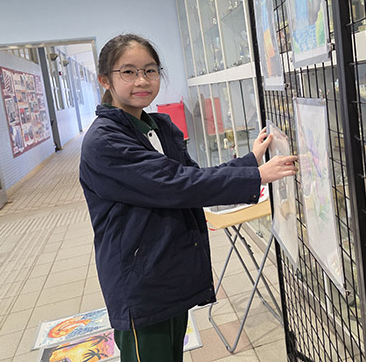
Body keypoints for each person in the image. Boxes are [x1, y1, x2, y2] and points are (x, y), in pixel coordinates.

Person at [79, 34, 297, 362]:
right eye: (128, 72)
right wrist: (256, 176)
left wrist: (250, 161)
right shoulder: (105, 141)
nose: (142, 80)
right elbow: (175, 185)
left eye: (150, 70)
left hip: (167, 271)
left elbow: (192, 176)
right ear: (105, 80)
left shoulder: (158, 127)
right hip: (140, 282)